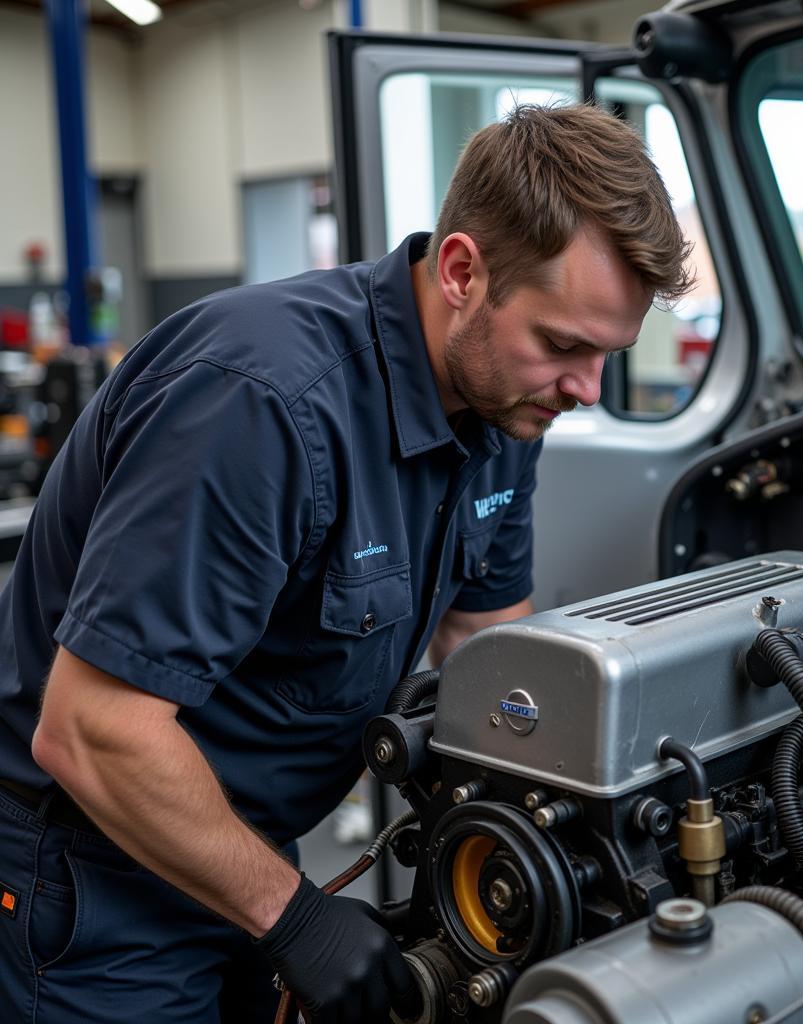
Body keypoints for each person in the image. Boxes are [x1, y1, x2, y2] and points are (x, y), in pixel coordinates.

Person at [0, 103, 691, 1024]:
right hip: (91, 876)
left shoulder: (505, 407)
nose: (584, 390)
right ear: (461, 272)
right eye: (564, 345)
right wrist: (299, 923)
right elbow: (94, 727)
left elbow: (492, 648)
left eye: (609, 355)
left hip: (236, 840)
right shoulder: (261, 406)